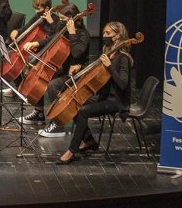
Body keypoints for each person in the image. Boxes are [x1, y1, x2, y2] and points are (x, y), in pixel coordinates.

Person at [57, 21, 132, 164]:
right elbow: (94, 68)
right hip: (102, 96)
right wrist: (80, 67)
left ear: (118, 36)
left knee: (83, 111)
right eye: (104, 32)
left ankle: (71, 151)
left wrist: (109, 66)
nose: (104, 35)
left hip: (117, 101)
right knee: (75, 104)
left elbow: (122, 84)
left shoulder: (123, 58)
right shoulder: (107, 52)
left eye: (108, 33)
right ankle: (89, 140)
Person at [17, 3, 90, 138]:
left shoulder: (83, 35)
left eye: (63, 19)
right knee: (38, 74)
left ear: (74, 19)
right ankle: (39, 113)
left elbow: (77, 54)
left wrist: (73, 33)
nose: (61, 21)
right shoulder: (65, 29)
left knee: (52, 85)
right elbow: (53, 38)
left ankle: (58, 124)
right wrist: (36, 43)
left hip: (77, 73)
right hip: (64, 68)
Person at [1, 0, 59, 96]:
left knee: (30, 62)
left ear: (46, 8)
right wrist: (17, 31)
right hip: (33, 47)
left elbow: (55, 36)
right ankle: (19, 87)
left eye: (38, 9)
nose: (36, 12)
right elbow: (27, 27)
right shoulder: (38, 16)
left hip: (45, 49)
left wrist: (50, 22)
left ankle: (27, 89)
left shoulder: (56, 20)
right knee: (10, 56)